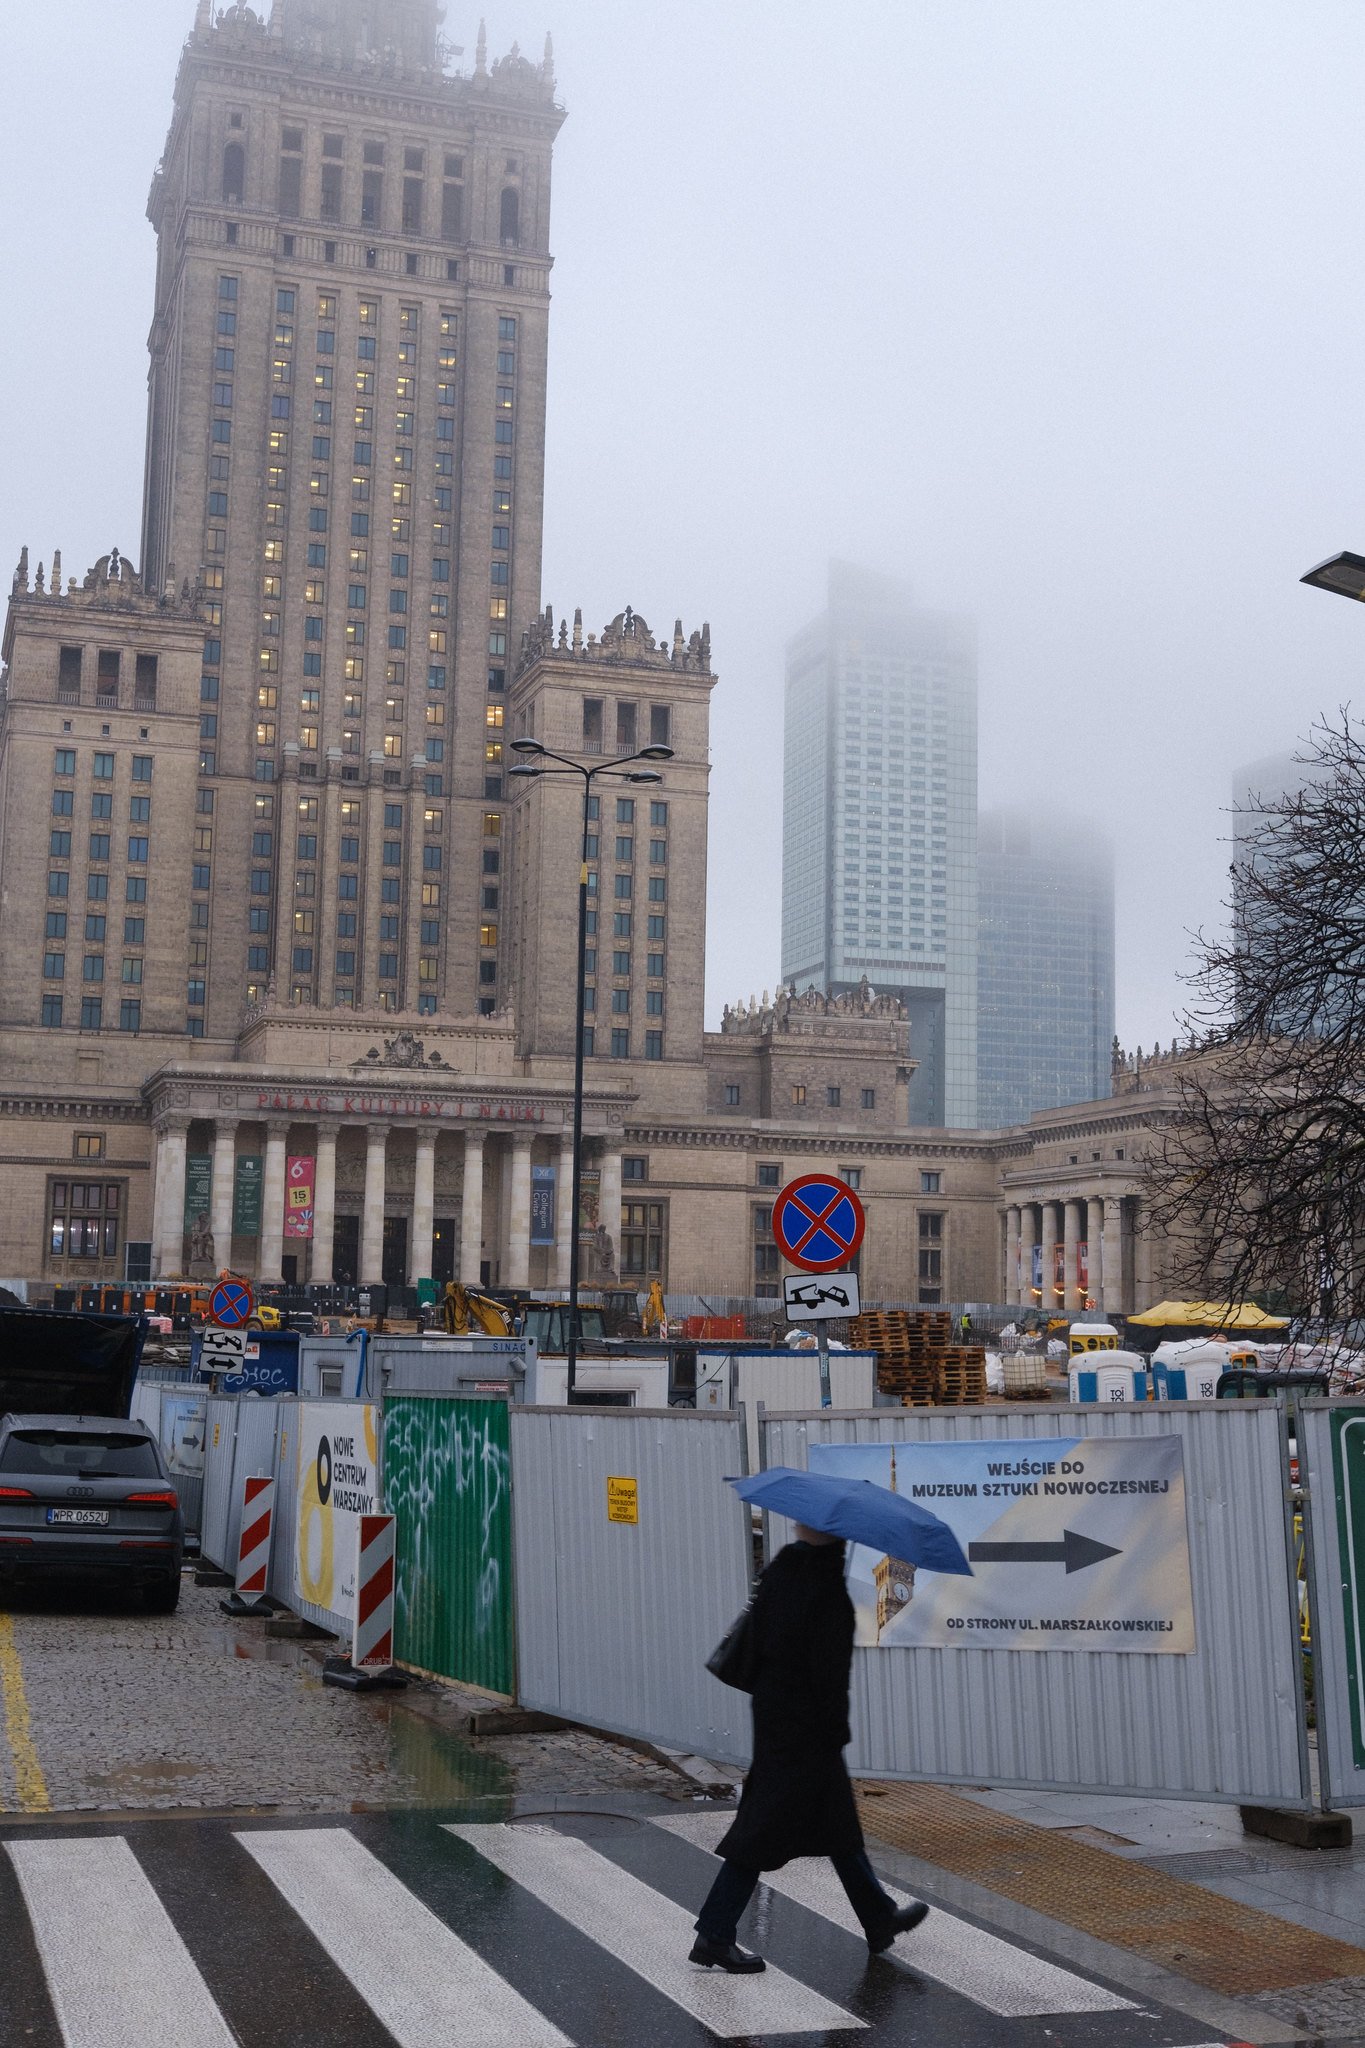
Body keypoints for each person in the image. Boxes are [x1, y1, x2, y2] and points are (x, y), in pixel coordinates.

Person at [690, 1524, 929, 1974]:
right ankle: (714, 1933)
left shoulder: (782, 1567)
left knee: (838, 1824)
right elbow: (828, 1679)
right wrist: (835, 1733)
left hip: (776, 1719)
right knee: (760, 1831)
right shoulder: (827, 1593)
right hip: (807, 1734)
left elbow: (763, 1643)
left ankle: (878, 1918)